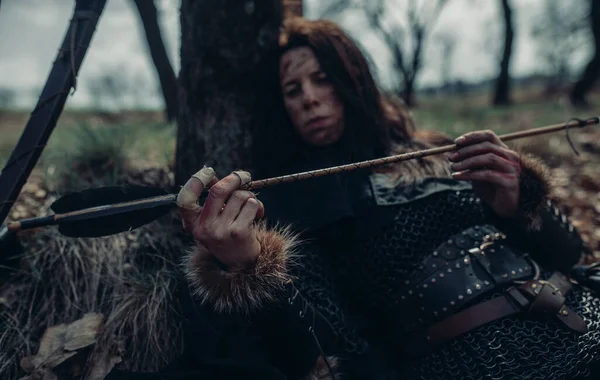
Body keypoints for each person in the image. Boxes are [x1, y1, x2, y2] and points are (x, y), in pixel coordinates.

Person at [154, 17, 600, 380]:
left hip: (571, 309)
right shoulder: (291, 205)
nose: (309, 98)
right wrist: (248, 264)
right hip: (466, 359)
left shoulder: (438, 152)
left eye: (322, 79)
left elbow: (571, 252)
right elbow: (331, 348)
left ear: (352, 82)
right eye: (293, 90)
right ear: (281, 108)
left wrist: (518, 201)